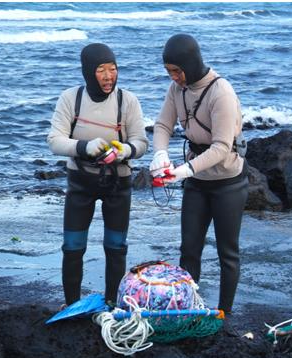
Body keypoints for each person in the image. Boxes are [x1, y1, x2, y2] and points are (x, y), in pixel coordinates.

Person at [150, 34, 249, 317]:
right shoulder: (176, 90)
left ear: (191, 64)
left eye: (177, 71)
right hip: (196, 183)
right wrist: (160, 154)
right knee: (189, 249)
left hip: (227, 183)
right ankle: (187, 308)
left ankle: (224, 314)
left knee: (227, 254)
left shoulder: (222, 93)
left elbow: (221, 147)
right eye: (169, 71)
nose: (174, 77)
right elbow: (161, 125)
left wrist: (184, 170)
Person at [48, 43, 148, 307]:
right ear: (88, 72)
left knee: (116, 247)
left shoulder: (128, 101)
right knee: (72, 247)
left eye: (113, 69)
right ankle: (71, 305)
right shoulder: (71, 98)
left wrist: (125, 149)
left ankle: (112, 304)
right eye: (101, 70)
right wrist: (84, 146)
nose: (108, 76)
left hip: (118, 184)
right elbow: (54, 140)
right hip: (80, 183)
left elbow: (142, 143)